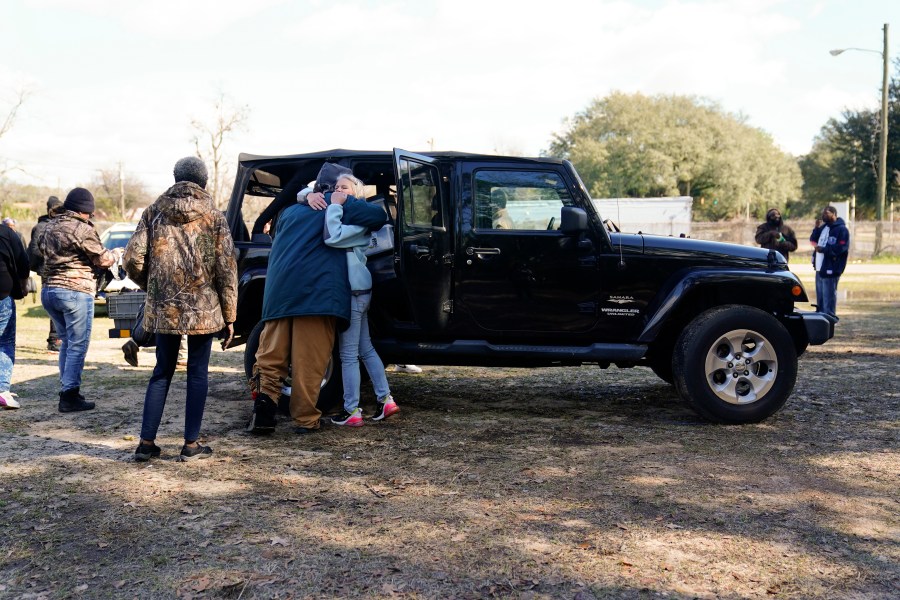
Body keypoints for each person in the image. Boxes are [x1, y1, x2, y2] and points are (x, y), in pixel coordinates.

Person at [246, 162, 387, 435]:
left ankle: (263, 411)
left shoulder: (289, 212)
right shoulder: (341, 206)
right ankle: (306, 419)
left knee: (270, 356)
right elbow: (378, 216)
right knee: (309, 360)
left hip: (279, 293)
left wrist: (304, 195)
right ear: (335, 189)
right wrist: (341, 200)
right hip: (316, 294)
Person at [123, 157, 237, 462]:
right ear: (204, 182)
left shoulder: (153, 212)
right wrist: (230, 316)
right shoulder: (214, 217)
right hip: (203, 307)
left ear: (175, 178)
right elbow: (226, 269)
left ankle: (146, 443)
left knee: (162, 371)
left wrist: (154, 286)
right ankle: (191, 445)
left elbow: (131, 259)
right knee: (198, 373)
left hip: (165, 307)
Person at [306, 173, 398, 426]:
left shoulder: (359, 224)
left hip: (353, 293)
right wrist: (310, 195)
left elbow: (332, 235)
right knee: (365, 348)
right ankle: (386, 400)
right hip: (361, 291)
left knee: (348, 355)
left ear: (356, 194)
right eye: (336, 186)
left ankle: (351, 410)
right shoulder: (355, 218)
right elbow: (303, 193)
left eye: (344, 187)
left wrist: (335, 205)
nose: (338, 189)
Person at [35, 188, 121, 412]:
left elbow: (38, 254)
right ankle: (69, 396)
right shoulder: (82, 229)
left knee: (66, 341)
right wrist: (116, 254)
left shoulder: (48, 226)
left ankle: (67, 388)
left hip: (49, 291)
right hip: (74, 291)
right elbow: (102, 259)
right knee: (78, 344)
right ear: (85, 210)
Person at [28, 196, 64, 351]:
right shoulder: (40, 227)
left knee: (61, 304)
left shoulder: (63, 224)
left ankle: (59, 337)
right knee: (54, 305)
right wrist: (49, 260)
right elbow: (34, 251)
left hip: (62, 271)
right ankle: (55, 339)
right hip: (48, 271)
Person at [0, 221, 30, 409]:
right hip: (2, 294)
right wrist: (23, 285)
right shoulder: (6, 233)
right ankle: (2, 390)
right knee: (4, 341)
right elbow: (23, 263)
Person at [812, 206, 849, 319]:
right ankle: (820, 320)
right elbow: (813, 240)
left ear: (834, 214)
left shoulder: (842, 229)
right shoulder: (824, 227)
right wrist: (816, 228)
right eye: (823, 213)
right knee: (821, 298)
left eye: (826, 213)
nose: (823, 215)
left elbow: (842, 248)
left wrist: (824, 250)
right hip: (819, 267)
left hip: (831, 267)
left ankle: (830, 320)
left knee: (829, 297)